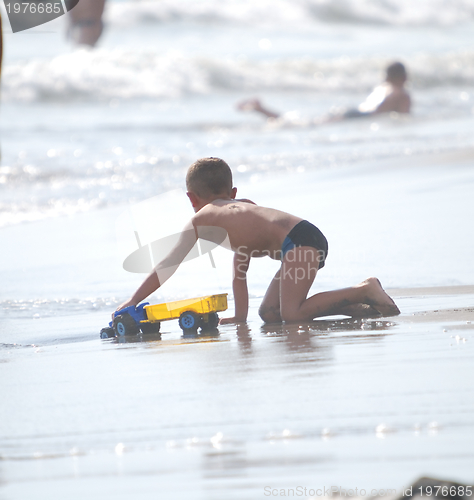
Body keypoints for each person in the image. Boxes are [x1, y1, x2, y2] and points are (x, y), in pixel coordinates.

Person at [115, 157, 400, 324]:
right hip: (304, 241)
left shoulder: (201, 219)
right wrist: (241, 318)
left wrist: (134, 299)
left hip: (299, 244)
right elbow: (240, 273)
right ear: (233, 191)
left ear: (191, 198)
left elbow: (167, 265)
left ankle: (365, 289)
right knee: (270, 313)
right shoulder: (242, 210)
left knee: (291, 314)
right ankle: (360, 307)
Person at [237, 61, 411, 122]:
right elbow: (401, 116)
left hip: (354, 111)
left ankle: (262, 110)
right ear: (403, 76)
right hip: (360, 117)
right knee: (303, 125)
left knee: (307, 123)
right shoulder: (400, 93)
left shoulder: (382, 88)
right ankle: (262, 110)